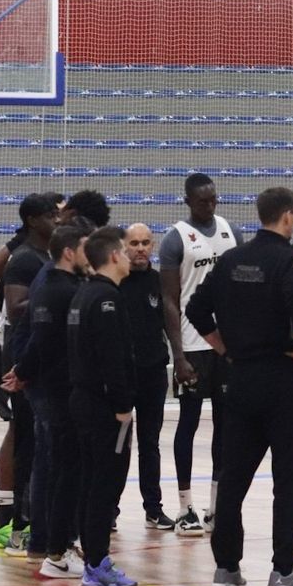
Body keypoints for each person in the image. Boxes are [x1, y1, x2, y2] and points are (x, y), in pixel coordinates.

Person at [187, 187, 293, 586]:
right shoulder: (291, 260)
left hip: (239, 379)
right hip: (282, 380)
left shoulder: (230, 259)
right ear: (288, 217)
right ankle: (283, 571)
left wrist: (225, 348)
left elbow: (195, 309)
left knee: (233, 477)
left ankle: (226, 569)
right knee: (291, 477)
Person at [0, 190, 62, 551]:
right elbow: (8, 299)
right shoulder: (23, 256)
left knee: (31, 434)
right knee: (22, 433)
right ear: (33, 220)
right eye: (53, 215)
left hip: (34, 350)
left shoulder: (46, 254)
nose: (58, 221)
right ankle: (11, 519)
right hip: (18, 350)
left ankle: (24, 516)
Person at [6, 223, 91, 579]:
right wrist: (23, 371)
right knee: (63, 469)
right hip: (59, 390)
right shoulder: (66, 291)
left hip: (49, 387)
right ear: (69, 252)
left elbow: (36, 337)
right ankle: (58, 548)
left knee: (54, 466)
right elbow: (43, 340)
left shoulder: (47, 285)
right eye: (85, 247)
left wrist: (22, 370)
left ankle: (50, 544)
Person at [160, 173, 237, 537]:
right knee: (188, 424)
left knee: (226, 425)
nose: (210, 205)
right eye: (203, 201)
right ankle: (185, 506)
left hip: (225, 345)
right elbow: (170, 300)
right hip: (192, 346)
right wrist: (178, 354)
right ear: (188, 201)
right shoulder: (176, 238)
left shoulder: (230, 231)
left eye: (214, 199)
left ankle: (216, 505)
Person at [68, 226, 138, 586]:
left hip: (83, 401)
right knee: (104, 486)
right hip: (103, 409)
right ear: (113, 256)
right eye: (124, 251)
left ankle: (92, 559)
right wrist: (123, 406)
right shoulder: (107, 299)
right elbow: (112, 358)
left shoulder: (83, 293)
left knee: (91, 483)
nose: (128, 257)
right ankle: (97, 563)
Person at [121, 223, 175, 531]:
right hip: (122, 377)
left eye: (146, 243)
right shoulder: (115, 283)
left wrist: (180, 360)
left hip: (153, 374)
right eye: (134, 243)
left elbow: (171, 323)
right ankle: (109, 510)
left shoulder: (160, 282)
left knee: (150, 443)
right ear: (124, 248)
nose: (140, 248)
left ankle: (153, 508)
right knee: (118, 445)